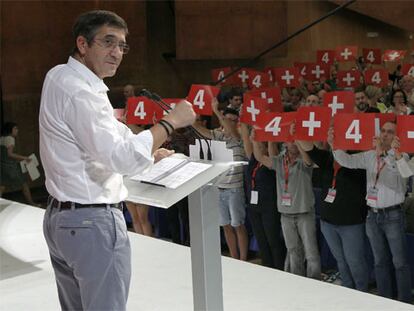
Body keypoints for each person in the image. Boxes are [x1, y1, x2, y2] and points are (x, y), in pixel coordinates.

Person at [39, 10, 195, 311]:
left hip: (61, 220)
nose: (117, 53)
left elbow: (107, 135)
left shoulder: (59, 76)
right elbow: (120, 158)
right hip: (91, 223)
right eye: (108, 42)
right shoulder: (82, 93)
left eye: (122, 45)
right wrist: (168, 123)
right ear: (82, 44)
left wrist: (149, 150)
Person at [332, 122, 412, 303]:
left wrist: (385, 154)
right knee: (379, 260)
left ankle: (404, 301)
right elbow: (347, 161)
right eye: (382, 131)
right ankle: (384, 299)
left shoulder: (402, 156)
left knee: (399, 262)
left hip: (393, 215)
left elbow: (405, 173)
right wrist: (335, 144)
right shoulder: (370, 155)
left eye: (390, 132)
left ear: (397, 137)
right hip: (373, 215)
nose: (384, 135)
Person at [295, 134, 369, 291]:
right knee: (341, 260)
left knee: (355, 260)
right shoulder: (328, 159)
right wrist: (297, 133)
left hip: (351, 223)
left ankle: (362, 291)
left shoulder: (360, 161)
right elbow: (311, 150)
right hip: (328, 221)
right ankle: (348, 288)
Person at [252, 137, 321, 279]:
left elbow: (309, 162)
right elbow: (259, 157)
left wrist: (300, 142)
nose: (293, 143)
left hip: (304, 213)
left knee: (311, 253)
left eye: (296, 141)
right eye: (291, 140)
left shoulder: (304, 159)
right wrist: (257, 139)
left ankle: (315, 282)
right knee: (293, 251)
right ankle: (297, 280)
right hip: (285, 214)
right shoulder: (279, 161)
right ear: (285, 143)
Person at [193, 100, 249, 261]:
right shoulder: (219, 136)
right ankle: (233, 257)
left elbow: (232, 131)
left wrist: (217, 112)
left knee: (238, 224)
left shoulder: (239, 138)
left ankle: (243, 260)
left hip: (234, 189)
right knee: (225, 224)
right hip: (220, 187)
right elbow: (200, 130)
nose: (229, 123)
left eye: (232, 120)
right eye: (227, 119)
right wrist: (192, 119)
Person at [240, 123, 286, 269]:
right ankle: (267, 267)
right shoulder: (254, 160)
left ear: (266, 147)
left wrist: (270, 137)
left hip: (269, 207)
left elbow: (272, 152)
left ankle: (278, 269)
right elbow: (247, 142)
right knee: (261, 240)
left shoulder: (272, 162)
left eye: (260, 145)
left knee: (272, 240)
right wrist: (245, 124)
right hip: (254, 207)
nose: (256, 147)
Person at [0, 122, 37, 205]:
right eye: (15, 128)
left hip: (2, 167)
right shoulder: (10, 139)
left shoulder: (2, 138)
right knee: (24, 184)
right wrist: (25, 158)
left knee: (2, 186)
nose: (17, 130)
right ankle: (31, 203)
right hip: (11, 168)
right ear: (10, 130)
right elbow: (10, 154)